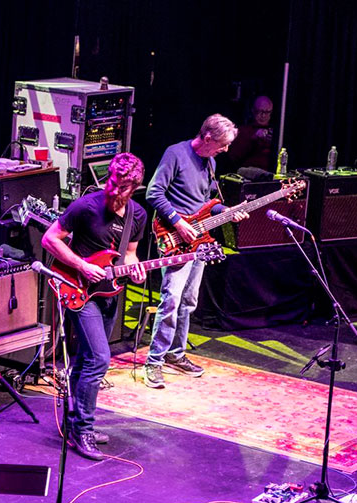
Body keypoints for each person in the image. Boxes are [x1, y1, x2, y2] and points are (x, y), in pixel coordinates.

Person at [42, 153, 147, 461]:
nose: (114, 191)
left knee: (87, 358)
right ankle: (83, 429)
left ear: (135, 188)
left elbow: (129, 254)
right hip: (77, 289)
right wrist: (82, 266)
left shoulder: (137, 216)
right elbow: (51, 239)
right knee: (100, 360)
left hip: (108, 293)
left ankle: (75, 423)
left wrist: (136, 268)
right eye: (113, 182)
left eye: (123, 187)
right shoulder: (85, 207)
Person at [144, 114, 247, 389]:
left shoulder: (210, 162)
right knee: (171, 300)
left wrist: (225, 212)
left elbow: (205, 203)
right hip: (175, 236)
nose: (225, 150)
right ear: (208, 138)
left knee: (189, 300)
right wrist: (178, 222)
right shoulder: (175, 154)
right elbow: (153, 193)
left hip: (199, 239)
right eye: (223, 144)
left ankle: (175, 354)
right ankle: (154, 361)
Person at [227, 96, 275, 171]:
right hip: (248, 174)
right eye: (260, 111)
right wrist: (253, 139)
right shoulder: (242, 131)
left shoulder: (274, 131)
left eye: (267, 112)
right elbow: (233, 157)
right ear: (253, 111)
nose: (263, 116)